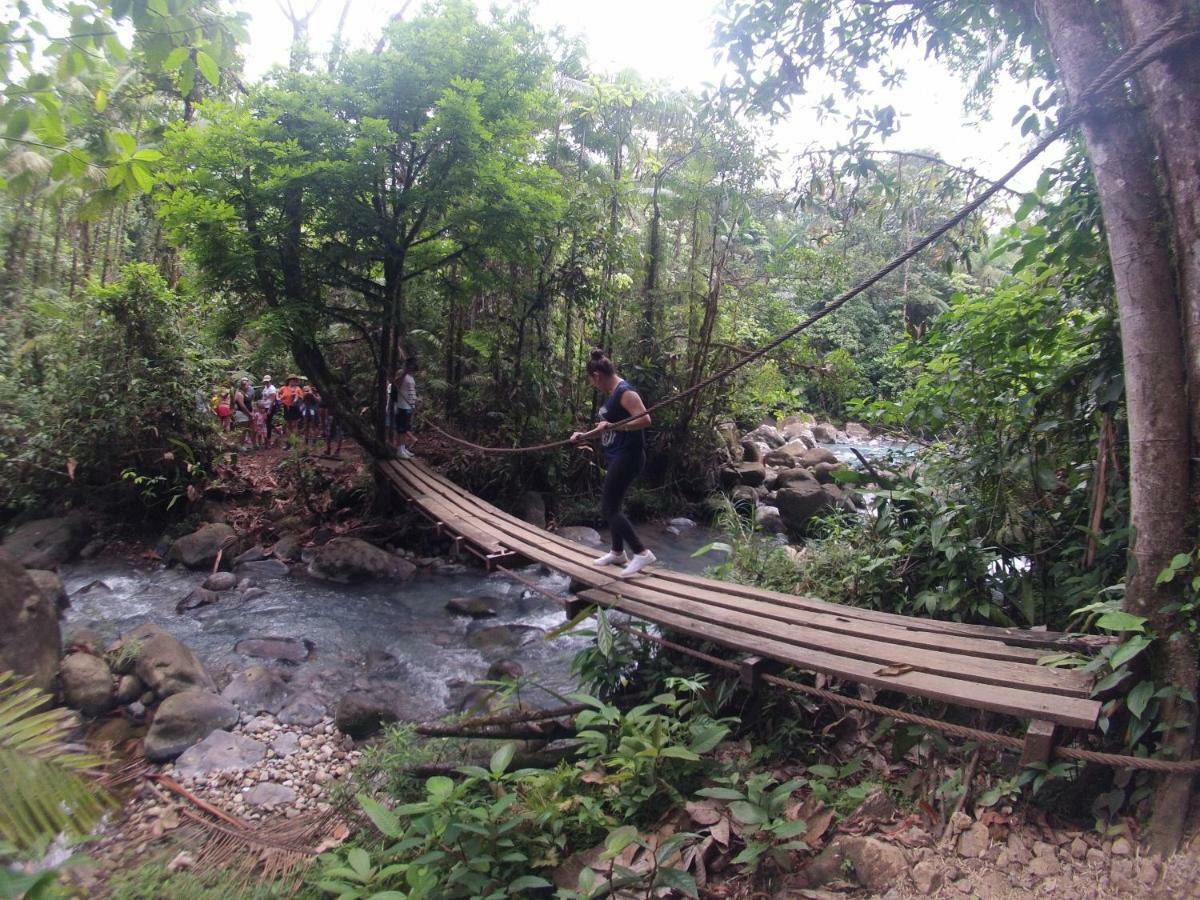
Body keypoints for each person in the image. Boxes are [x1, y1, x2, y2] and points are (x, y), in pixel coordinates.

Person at [569, 349, 656, 577]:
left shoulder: (625, 392)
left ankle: (642, 552)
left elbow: (645, 419)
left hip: (630, 456)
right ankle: (618, 552)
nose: (593, 384)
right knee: (613, 506)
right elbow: (606, 429)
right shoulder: (612, 395)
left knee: (608, 508)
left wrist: (616, 426)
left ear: (596, 375)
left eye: (591, 380)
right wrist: (584, 436)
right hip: (618, 456)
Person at [392, 359, 419, 459]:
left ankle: (403, 449)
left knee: (405, 428)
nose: (412, 368)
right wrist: (404, 373)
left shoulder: (411, 377)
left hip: (409, 406)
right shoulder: (402, 374)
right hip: (402, 406)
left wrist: (415, 404)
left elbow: (412, 391)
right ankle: (399, 450)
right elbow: (396, 384)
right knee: (401, 429)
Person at [278, 374, 304, 445]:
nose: (293, 381)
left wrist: (297, 396)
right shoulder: (284, 388)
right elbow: (277, 393)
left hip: (295, 408)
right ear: (288, 381)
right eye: (291, 379)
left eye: (294, 380)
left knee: (294, 425)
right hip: (286, 407)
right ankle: (289, 442)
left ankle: (294, 441)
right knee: (288, 425)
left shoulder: (298, 388)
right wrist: (279, 399)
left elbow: (302, 398)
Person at [234, 378, 256, 450]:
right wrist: (249, 414)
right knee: (243, 430)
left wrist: (252, 412)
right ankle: (241, 446)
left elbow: (251, 402)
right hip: (242, 414)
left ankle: (254, 445)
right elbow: (242, 406)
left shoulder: (249, 392)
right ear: (241, 385)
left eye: (246, 384)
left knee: (252, 429)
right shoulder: (239, 393)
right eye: (243, 384)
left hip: (249, 413)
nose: (245, 386)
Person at [260, 375, 279, 448]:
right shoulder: (265, 388)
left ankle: (268, 441)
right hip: (265, 407)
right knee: (266, 423)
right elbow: (263, 398)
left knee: (268, 423)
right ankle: (276, 429)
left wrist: (270, 409)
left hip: (270, 407)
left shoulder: (272, 388)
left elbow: (273, 400)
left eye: (267, 381)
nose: (266, 382)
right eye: (265, 381)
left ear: (270, 381)